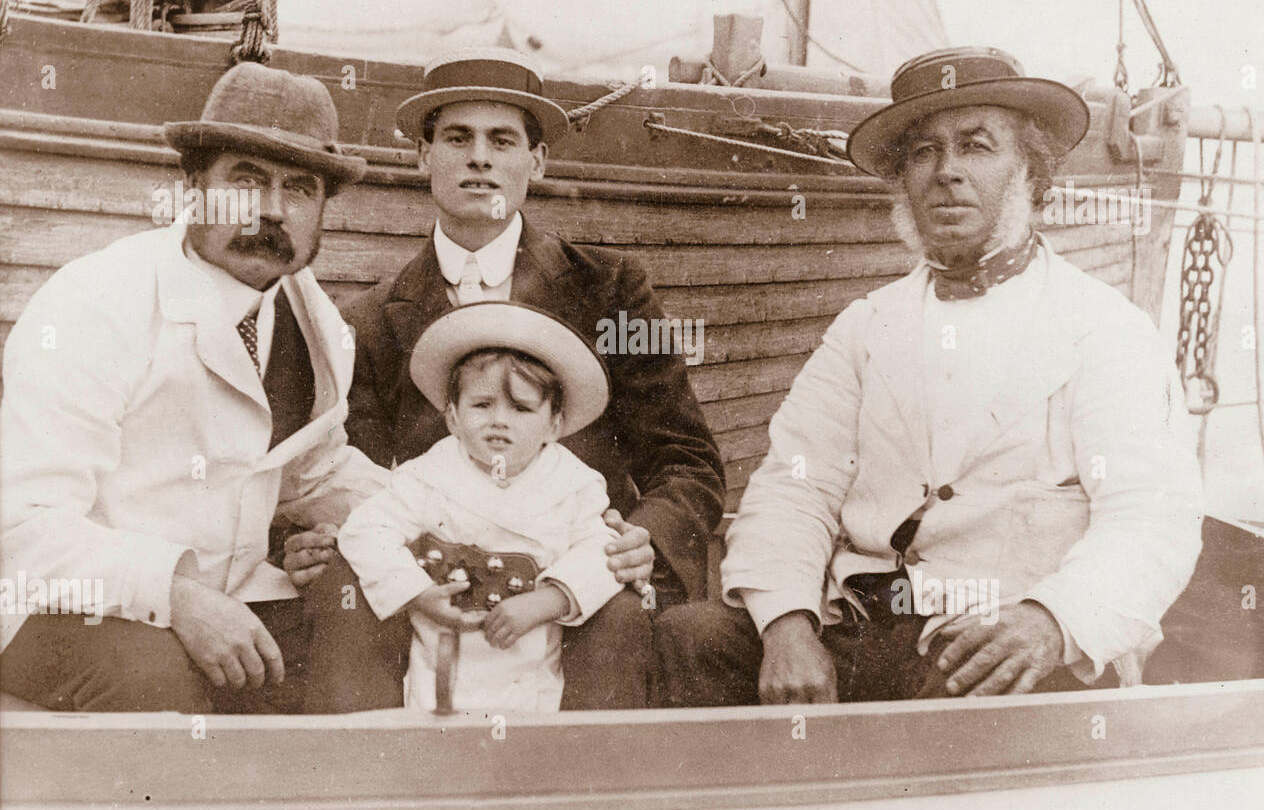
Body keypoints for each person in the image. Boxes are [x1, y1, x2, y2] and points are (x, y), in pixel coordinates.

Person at [655, 46, 1204, 706]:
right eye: (924, 153)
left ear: (1031, 169)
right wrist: (788, 627)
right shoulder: (866, 326)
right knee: (687, 639)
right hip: (855, 628)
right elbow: (793, 490)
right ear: (903, 180)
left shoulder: (1104, 329)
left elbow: (1152, 518)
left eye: (976, 146)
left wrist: (1052, 621)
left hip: (998, 637)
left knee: (969, 692)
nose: (947, 172)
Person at [296, 47, 725, 711]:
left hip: (574, 569)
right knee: (343, 596)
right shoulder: (371, 322)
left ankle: (576, 808)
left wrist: (642, 543)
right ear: (422, 157)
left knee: (613, 623)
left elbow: (687, 463)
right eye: (456, 138)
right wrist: (319, 540)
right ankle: (362, 798)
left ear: (538, 162)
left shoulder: (610, 290)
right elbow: (347, 475)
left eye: (503, 140)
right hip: (427, 581)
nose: (479, 158)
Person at [0, 62, 388, 712]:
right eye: (245, 180)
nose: (270, 209)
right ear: (192, 184)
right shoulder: (96, 300)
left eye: (298, 189)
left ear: (322, 210)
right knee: (160, 680)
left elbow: (315, 472)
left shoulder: (311, 315)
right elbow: (21, 527)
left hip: (229, 600)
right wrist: (176, 598)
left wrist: (470, 511)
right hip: (56, 603)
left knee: (371, 628)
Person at [338, 302, 622, 713]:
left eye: (521, 408)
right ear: (452, 417)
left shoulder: (574, 485)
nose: (499, 421)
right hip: (443, 655)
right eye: (482, 405)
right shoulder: (428, 476)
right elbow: (365, 529)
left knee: (522, 751)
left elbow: (601, 550)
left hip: (528, 664)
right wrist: (415, 592)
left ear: (554, 425)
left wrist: (550, 600)